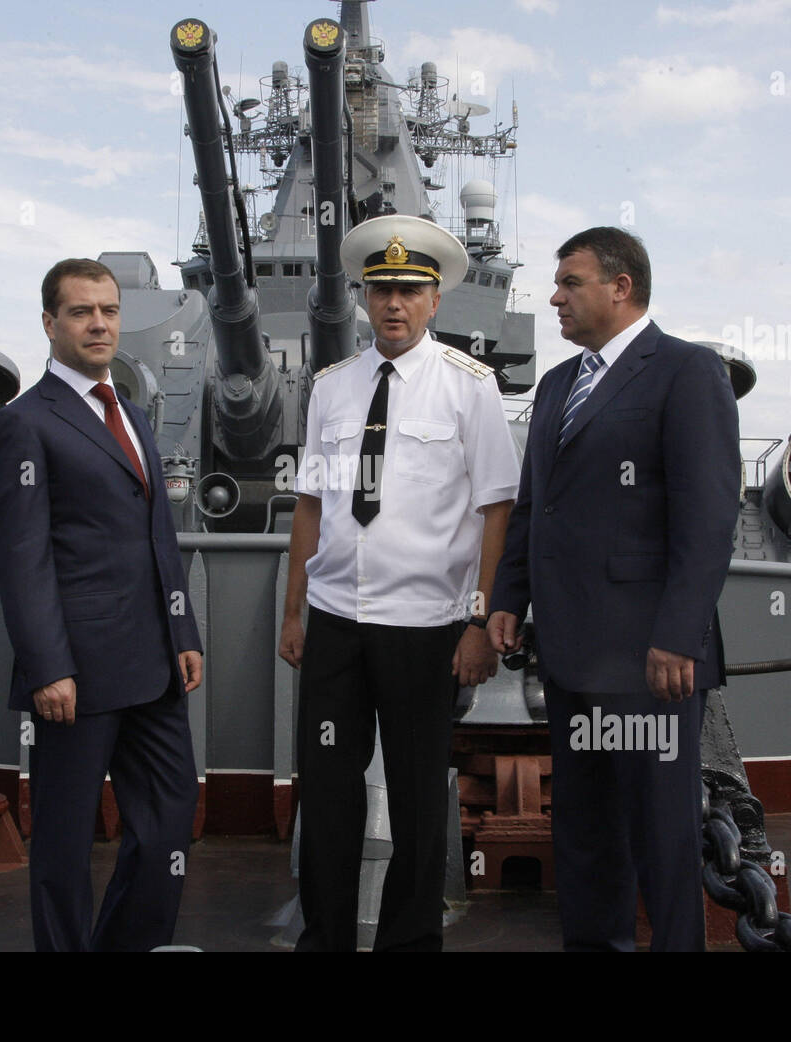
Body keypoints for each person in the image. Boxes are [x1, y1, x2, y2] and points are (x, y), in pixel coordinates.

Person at [487, 227, 740, 951]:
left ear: (620, 287)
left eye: (570, 282)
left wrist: (677, 635)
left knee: (661, 837)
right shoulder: (558, 386)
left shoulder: (686, 373)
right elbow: (537, 505)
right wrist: (509, 597)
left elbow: (708, 517)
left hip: (648, 662)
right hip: (569, 655)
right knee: (587, 833)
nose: (555, 297)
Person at [279, 214, 521, 951]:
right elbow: (313, 504)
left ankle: (410, 944)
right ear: (362, 295)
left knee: (418, 798)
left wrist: (480, 621)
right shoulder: (332, 389)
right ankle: (324, 938)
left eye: (411, 290)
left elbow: (496, 508)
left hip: (426, 626)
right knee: (325, 791)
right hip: (336, 623)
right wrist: (294, 612)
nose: (394, 303)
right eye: (381, 288)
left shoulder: (469, 388)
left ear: (435, 299)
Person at [0, 257, 203, 952]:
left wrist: (183, 628)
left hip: (154, 663)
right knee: (65, 841)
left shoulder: (131, 414)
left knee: (169, 821)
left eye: (108, 309)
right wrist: (48, 667)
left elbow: (156, 533)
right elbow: (22, 556)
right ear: (50, 323)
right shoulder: (24, 424)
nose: (100, 323)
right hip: (75, 671)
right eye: (81, 311)